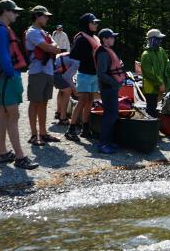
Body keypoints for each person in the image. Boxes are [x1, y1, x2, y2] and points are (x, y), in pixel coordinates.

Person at [0, 0, 38, 169]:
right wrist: (11, 76)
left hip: (3, 77)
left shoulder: (0, 29)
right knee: (13, 116)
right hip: (8, 76)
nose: (16, 14)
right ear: (5, 11)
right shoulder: (0, 31)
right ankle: (20, 157)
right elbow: (4, 57)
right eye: (14, 11)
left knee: (3, 113)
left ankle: (2, 153)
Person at [25, 6, 62, 145]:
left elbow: (56, 48)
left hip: (47, 71)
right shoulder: (32, 32)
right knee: (35, 102)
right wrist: (53, 46)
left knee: (44, 103)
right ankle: (34, 135)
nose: (47, 18)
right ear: (37, 16)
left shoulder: (44, 32)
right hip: (37, 72)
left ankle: (43, 133)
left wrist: (53, 46)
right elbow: (49, 48)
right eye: (45, 16)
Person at [65, 13, 101, 142]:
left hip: (93, 74)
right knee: (82, 100)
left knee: (90, 100)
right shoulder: (81, 39)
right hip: (84, 74)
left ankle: (86, 128)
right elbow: (74, 55)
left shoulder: (94, 38)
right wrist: (86, 56)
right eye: (94, 22)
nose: (96, 24)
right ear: (87, 24)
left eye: (96, 22)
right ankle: (71, 128)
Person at [94, 28, 126, 154]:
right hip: (108, 88)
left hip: (111, 88)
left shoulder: (108, 51)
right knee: (109, 115)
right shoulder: (102, 52)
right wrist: (115, 84)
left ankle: (108, 142)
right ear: (104, 39)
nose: (113, 39)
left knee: (112, 115)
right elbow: (101, 74)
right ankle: (103, 144)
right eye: (111, 37)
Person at [140, 29, 170, 117]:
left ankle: (166, 108)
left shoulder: (161, 51)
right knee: (151, 110)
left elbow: (168, 66)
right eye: (158, 39)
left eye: (160, 39)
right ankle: (151, 125)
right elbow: (149, 74)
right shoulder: (146, 55)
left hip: (164, 82)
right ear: (152, 40)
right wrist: (160, 83)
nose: (160, 41)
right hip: (151, 88)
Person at [53, 51, 79, 125]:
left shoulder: (71, 54)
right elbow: (67, 77)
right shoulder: (77, 62)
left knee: (62, 90)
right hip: (54, 73)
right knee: (68, 90)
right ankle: (63, 118)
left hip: (52, 70)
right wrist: (74, 90)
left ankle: (58, 112)